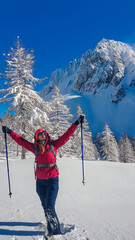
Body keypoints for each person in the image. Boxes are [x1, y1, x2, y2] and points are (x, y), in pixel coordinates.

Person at [2, 115, 84, 239]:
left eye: (44, 133)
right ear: (36, 137)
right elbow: (21, 141)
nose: (43, 135)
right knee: (45, 206)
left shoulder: (53, 145)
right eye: (40, 134)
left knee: (50, 205)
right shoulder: (35, 148)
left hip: (52, 181)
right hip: (40, 182)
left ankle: (56, 233)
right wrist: (9, 132)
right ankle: (50, 228)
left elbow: (66, 135)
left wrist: (76, 123)